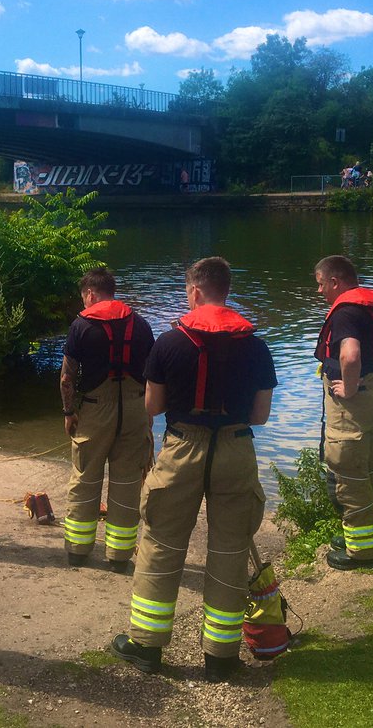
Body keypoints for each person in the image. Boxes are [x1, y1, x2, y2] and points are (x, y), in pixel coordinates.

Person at [111, 257, 276, 683]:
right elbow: (260, 416)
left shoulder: (168, 341)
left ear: (196, 291)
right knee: (229, 550)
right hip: (236, 450)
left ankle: (146, 647)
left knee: (162, 544)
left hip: (183, 447)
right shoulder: (256, 345)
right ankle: (220, 657)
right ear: (226, 290)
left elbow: (153, 407)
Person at [60, 268, 154, 572]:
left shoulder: (81, 325)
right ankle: (119, 556)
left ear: (90, 293)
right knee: (127, 481)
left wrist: (68, 412)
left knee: (85, 477)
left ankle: (78, 550)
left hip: (95, 408)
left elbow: (66, 378)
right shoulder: (140, 324)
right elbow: (153, 376)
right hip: (135, 406)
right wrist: (148, 415)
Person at [312, 254, 373, 570]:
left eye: (321, 285)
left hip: (353, 404)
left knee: (346, 473)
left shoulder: (346, 312)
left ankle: (361, 553)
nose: (320, 292)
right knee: (367, 470)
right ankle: (363, 537)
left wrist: (349, 388)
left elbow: (349, 356)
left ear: (335, 281)